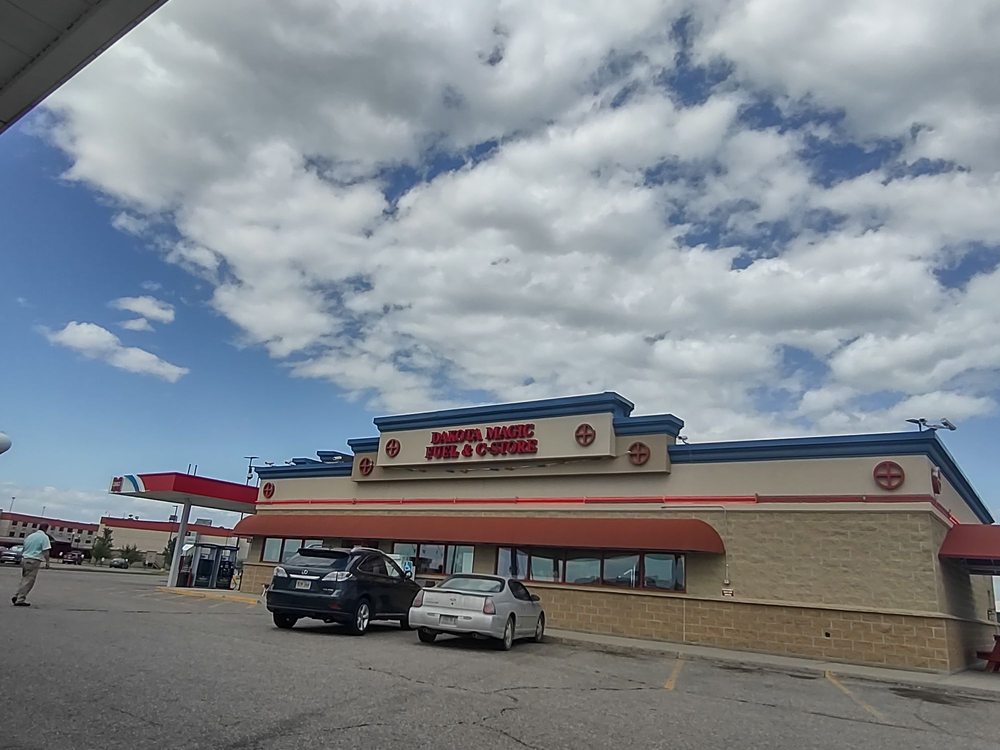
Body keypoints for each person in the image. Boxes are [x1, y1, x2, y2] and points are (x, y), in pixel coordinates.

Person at [11, 523, 51, 607]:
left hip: (25, 558)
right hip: (34, 560)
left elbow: (24, 547)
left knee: (24, 579)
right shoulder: (44, 537)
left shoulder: (30, 536)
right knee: (29, 581)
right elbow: (46, 551)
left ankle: (17, 595)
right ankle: (20, 599)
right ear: (46, 529)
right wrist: (47, 562)